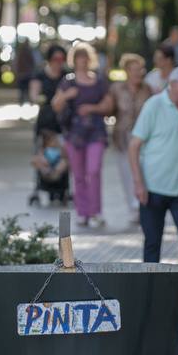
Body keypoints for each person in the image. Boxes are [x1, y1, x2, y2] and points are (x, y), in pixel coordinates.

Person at [128, 66, 178, 265]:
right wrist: (138, 184)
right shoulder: (153, 105)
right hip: (153, 187)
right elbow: (134, 146)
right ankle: (148, 291)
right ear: (171, 85)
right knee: (152, 242)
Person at [51, 42, 113, 227]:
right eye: (79, 58)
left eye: (85, 58)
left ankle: (96, 212)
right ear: (74, 60)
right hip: (74, 133)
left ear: (90, 59)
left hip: (96, 132)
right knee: (78, 174)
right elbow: (56, 105)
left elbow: (109, 105)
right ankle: (82, 212)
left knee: (93, 171)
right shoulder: (67, 81)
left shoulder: (99, 81)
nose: (82, 62)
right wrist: (67, 95)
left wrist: (92, 108)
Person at [110, 52, 154, 223]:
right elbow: (109, 108)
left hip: (144, 137)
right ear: (127, 71)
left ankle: (144, 203)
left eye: (140, 69)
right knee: (126, 173)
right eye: (135, 69)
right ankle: (134, 207)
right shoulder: (116, 89)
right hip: (123, 137)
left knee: (144, 171)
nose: (138, 73)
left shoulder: (147, 89)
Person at [30, 43, 69, 135]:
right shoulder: (40, 75)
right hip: (46, 121)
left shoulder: (67, 76)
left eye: (62, 59)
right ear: (49, 59)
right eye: (55, 59)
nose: (59, 62)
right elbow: (33, 95)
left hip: (64, 121)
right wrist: (39, 99)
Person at [31, 129, 70, 203]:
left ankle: (54, 172)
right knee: (39, 160)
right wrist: (42, 158)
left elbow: (64, 157)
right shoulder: (44, 150)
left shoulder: (59, 150)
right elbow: (35, 160)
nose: (55, 143)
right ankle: (49, 172)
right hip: (47, 170)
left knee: (64, 162)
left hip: (57, 171)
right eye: (53, 141)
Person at [13, 38, 36, 105]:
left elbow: (16, 63)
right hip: (26, 74)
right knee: (26, 89)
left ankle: (23, 101)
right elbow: (32, 62)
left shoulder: (21, 52)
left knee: (23, 89)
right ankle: (26, 101)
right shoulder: (28, 52)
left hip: (23, 74)